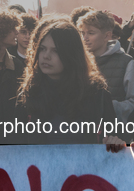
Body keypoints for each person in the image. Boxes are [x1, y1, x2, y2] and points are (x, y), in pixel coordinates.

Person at [16, 20, 124, 151]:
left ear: (71, 54)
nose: (46, 56)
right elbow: (17, 143)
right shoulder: (30, 91)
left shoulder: (95, 92)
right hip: (41, 169)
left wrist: (114, 142)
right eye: (43, 49)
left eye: (55, 50)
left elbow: (112, 135)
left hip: (83, 168)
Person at [78, 10, 134, 122]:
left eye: (91, 33)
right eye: (83, 33)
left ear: (107, 35)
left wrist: (106, 107)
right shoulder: (77, 62)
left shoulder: (126, 63)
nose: (85, 38)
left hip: (114, 133)